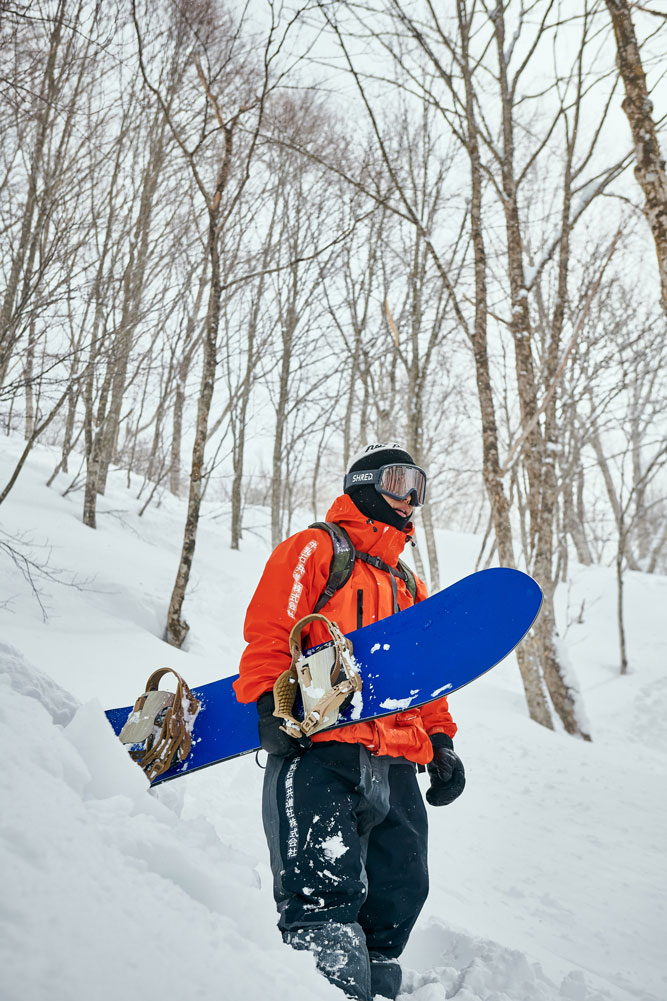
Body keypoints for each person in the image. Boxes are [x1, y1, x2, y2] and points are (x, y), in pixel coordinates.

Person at [234, 443, 466, 1001]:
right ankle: (322, 986)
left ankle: (380, 985)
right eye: (396, 480)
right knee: (322, 897)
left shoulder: (408, 584)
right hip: (324, 751)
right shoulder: (316, 549)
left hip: (398, 760)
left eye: (417, 486)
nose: (408, 497)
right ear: (364, 483)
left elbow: (425, 678)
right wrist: (269, 700)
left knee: (400, 893)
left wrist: (441, 740)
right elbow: (270, 632)